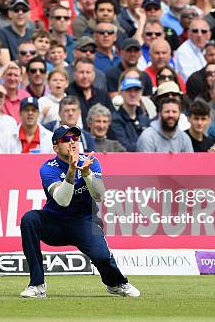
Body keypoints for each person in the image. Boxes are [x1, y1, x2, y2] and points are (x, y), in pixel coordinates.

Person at [19, 124, 140, 298]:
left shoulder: (90, 162)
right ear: (55, 147)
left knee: (103, 257)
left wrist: (87, 173)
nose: (72, 143)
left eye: (75, 138)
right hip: (55, 223)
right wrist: (70, 171)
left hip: (83, 222)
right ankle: (37, 284)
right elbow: (63, 200)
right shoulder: (48, 168)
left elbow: (99, 196)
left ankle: (116, 284)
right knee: (29, 219)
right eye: (66, 139)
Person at [110, 77, 151, 152]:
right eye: (129, 90)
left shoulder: (145, 119)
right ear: (121, 93)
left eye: (136, 90)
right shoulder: (115, 119)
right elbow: (124, 146)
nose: (133, 94)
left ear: (141, 93)